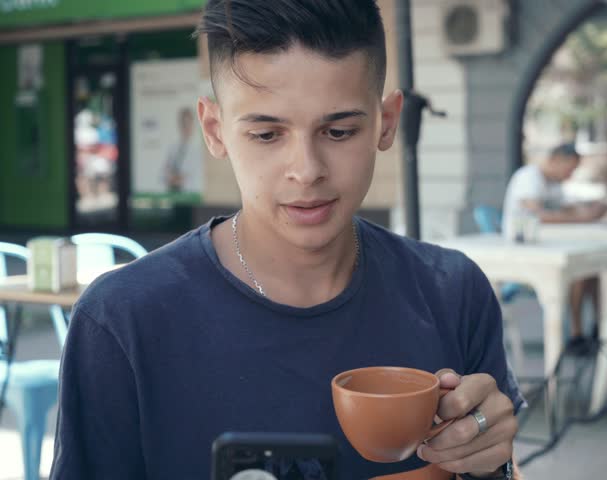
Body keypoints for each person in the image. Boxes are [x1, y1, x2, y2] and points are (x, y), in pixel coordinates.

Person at [49, 2, 523, 480]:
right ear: (215, 131)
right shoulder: (123, 320)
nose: (307, 170)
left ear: (387, 122)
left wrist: (489, 461)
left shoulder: (452, 294)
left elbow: (497, 465)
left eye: (338, 131)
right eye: (267, 134)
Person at [502, 143, 607, 352]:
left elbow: (568, 208)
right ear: (556, 160)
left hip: (547, 249)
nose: (571, 174)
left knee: (593, 270)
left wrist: (591, 209)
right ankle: (576, 334)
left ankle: (599, 328)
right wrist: (583, 218)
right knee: (580, 271)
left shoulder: (553, 183)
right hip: (525, 253)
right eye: (570, 168)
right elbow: (539, 215)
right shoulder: (530, 177)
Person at [162, 107, 202, 193]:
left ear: (193, 125)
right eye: (184, 123)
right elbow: (164, 173)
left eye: (188, 123)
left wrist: (178, 178)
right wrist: (171, 177)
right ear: (179, 125)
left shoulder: (198, 150)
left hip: (190, 197)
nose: (186, 127)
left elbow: (193, 176)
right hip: (172, 195)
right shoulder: (172, 148)